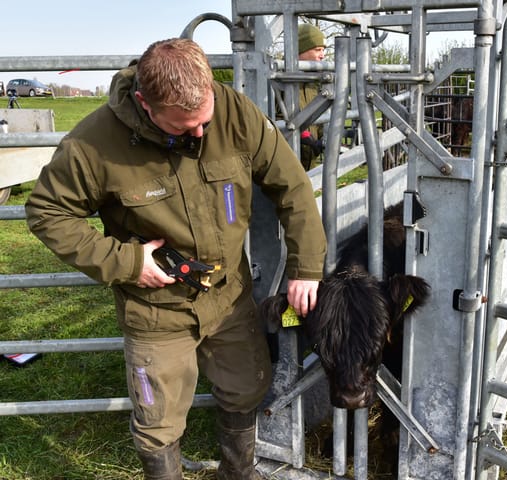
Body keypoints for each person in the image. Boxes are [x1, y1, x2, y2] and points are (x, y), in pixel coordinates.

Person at [25, 38, 327, 480]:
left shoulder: (234, 113)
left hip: (228, 296)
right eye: (185, 128)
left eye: (204, 121)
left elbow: (293, 188)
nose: (200, 134)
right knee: (158, 417)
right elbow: (47, 211)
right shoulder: (95, 143)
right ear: (145, 104)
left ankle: (238, 473)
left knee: (246, 387)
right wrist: (126, 263)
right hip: (155, 307)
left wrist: (306, 267)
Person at [296, 23, 326, 170]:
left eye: (323, 50)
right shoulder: (278, 81)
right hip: (290, 160)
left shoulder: (313, 83)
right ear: (301, 50)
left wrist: (322, 137)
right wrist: (304, 135)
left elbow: (319, 115)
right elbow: (273, 117)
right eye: (317, 50)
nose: (322, 55)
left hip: (310, 159)